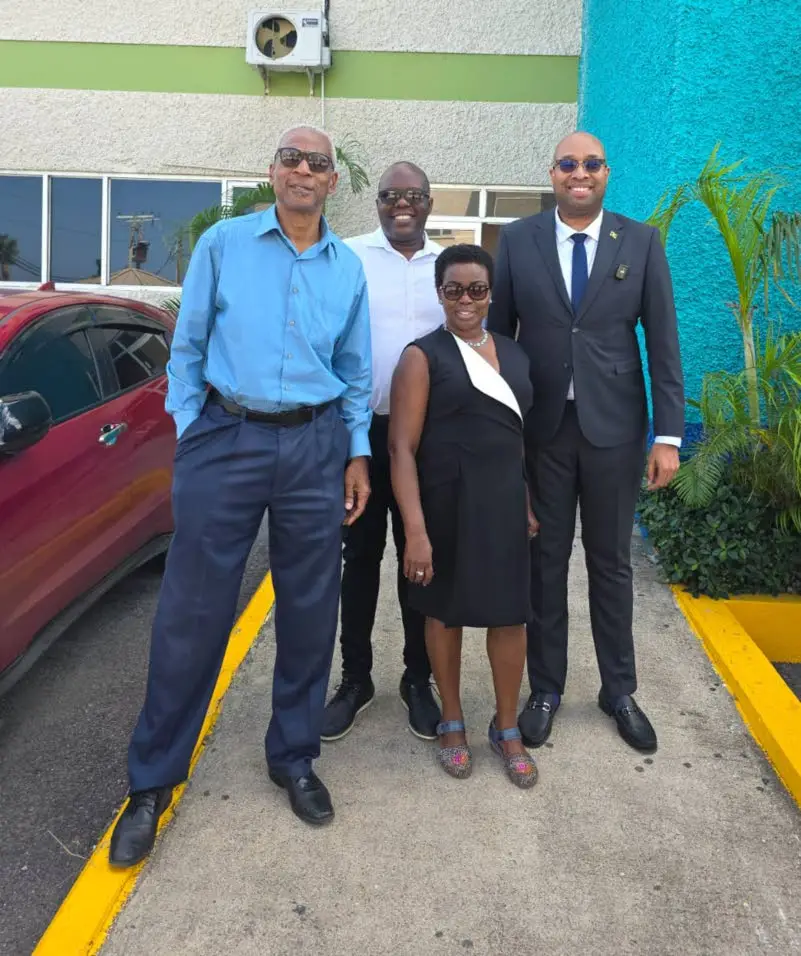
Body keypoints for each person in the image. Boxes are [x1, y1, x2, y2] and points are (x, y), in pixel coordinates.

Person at [109, 125, 372, 867]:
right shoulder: (225, 244)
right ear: (272, 172)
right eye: (291, 158)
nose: (303, 171)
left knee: (309, 608)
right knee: (191, 613)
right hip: (226, 439)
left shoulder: (346, 268)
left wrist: (355, 454)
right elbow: (185, 348)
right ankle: (152, 782)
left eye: (317, 163)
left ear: (330, 183)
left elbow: (355, 372)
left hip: (316, 447)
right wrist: (193, 430)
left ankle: (292, 756)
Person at [488, 131, 684, 754]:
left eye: (592, 164)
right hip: (542, 431)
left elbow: (663, 342)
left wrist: (669, 437)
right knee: (545, 564)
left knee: (611, 563)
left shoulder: (642, 242)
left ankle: (619, 690)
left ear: (606, 173)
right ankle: (545, 689)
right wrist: (501, 432)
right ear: (552, 174)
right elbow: (499, 341)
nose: (580, 173)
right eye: (569, 164)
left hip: (615, 431)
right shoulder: (518, 241)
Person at [389, 244, 539, 789]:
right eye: (454, 289)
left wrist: (525, 500)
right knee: (445, 613)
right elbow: (401, 449)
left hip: (502, 504)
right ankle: (452, 722)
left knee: (509, 616)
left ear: (491, 293)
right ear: (440, 293)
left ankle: (506, 728)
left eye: (477, 289)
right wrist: (415, 531)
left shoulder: (515, 355)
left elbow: (517, 438)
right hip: (445, 506)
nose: (466, 300)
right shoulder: (421, 355)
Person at [322, 162, 443, 743]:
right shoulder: (349, 257)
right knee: (360, 559)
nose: (402, 205)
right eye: (392, 195)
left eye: (413, 196)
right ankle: (356, 678)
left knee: (419, 559)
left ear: (428, 201)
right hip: (363, 434)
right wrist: (349, 444)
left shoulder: (448, 263)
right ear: (377, 202)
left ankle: (417, 679)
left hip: (430, 440)